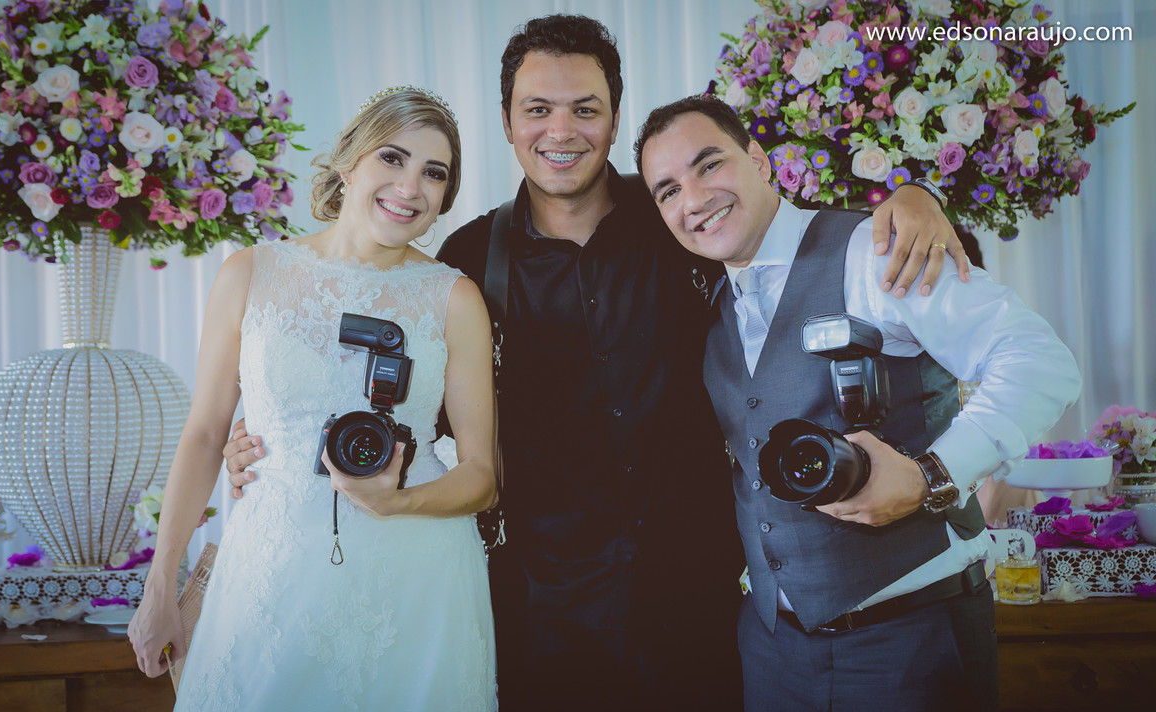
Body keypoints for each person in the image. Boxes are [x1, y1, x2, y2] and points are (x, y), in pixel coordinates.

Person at [223, 15, 965, 711]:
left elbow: (797, 239)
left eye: (586, 108)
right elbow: (406, 410)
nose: (561, 130)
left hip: (702, 599)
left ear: (614, 117)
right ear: (508, 123)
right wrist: (278, 444)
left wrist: (911, 195)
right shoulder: (466, 262)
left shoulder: (688, 217)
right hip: (543, 609)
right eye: (537, 109)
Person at [633, 94, 1083, 711]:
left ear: (760, 161)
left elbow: (1038, 361)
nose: (693, 199)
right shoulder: (709, 311)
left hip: (909, 640)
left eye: (709, 164)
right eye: (666, 190)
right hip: (771, 649)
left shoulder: (874, 250)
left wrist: (933, 476)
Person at [127, 88, 498, 711]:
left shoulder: (455, 298)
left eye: (434, 173)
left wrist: (399, 499)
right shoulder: (249, 272)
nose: (410, 187)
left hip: (416, 575)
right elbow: (203, 436)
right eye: (393, 158)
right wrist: (160, 586)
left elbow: (483, 477)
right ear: (348, 161)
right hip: (272, 571)